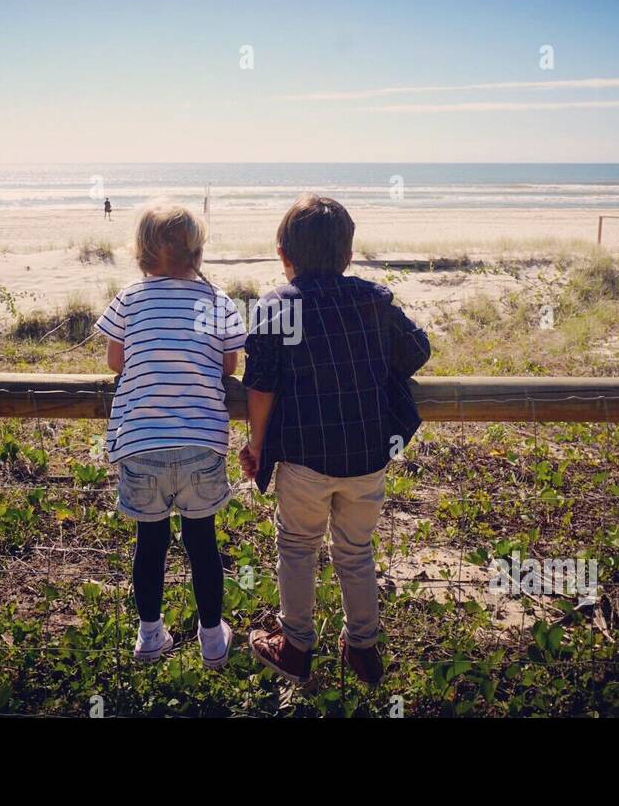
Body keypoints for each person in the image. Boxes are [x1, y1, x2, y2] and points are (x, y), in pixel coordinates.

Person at [240, 194, 431, 686]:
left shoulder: (275, 307)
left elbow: (260, 385)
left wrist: (256, 444)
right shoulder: (374, 300)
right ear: (348, 253)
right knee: (356, 549)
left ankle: (296, 645)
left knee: (297, 546)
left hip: (304, 460)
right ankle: (363, 647)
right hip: (368, 455)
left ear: (283, 253)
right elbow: (416, 351)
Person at [95, 200, 247, 668]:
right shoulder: (217, 302)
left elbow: (115, 362)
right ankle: (212, 639)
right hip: (200, 441)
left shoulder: (129, 299)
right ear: (197, 255)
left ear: (141, 254)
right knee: (202, 542)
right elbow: (229, 365)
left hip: (142, 444)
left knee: (151, 543)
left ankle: (149, 635)